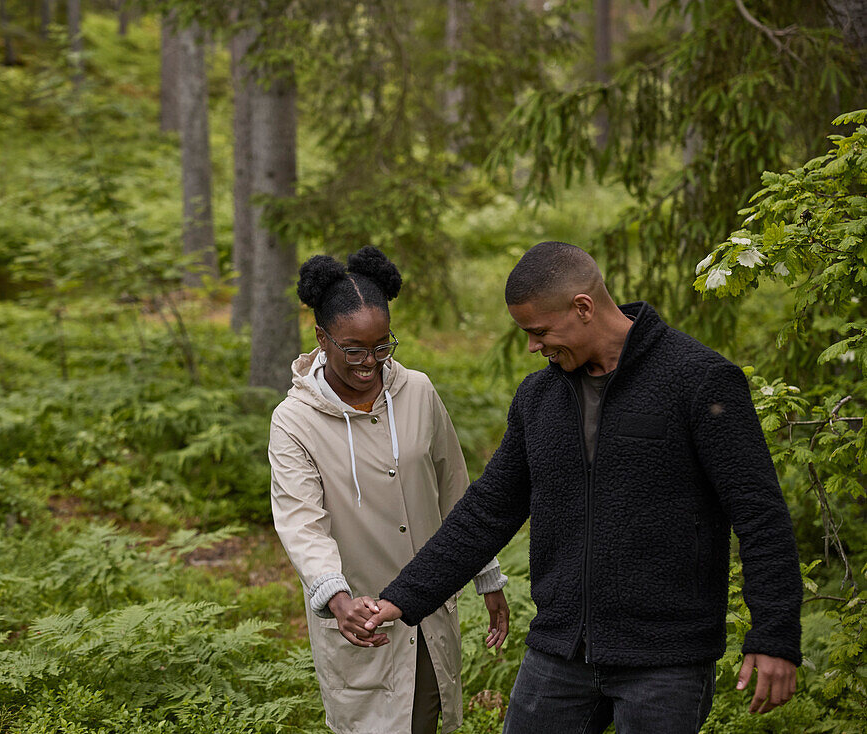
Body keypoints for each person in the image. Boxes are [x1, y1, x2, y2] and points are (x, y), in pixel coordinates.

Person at [364, 241, 802, 733]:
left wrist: (773, 635)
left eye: (539, 331)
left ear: (584, 307)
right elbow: (488, 510)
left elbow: (760, 515)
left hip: (665, 660)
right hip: (559, 652)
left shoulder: (698, 381)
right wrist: (402, 598)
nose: (533, 346)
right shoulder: (539, 397)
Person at [269, 246, 511, 734]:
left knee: (426, 717)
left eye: (382, 346)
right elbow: (301, 523)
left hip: (427, 609)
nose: (370, 363)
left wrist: (486, 575)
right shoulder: (294, 421)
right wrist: (336, 597)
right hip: (360, 620)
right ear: (321, 337)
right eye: (353, 350)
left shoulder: (418, 391)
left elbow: (456, 490)